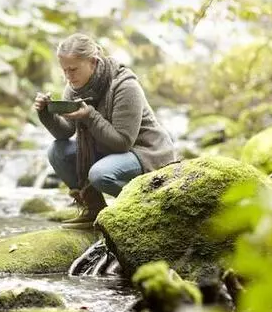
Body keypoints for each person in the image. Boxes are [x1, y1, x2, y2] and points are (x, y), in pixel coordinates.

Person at [35, 33, 177, 229]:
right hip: (107, 149)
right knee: (57, 150)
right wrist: (46, 115)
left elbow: (123, 142)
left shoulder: (125, 86)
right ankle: (93, 209)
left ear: (93, 62)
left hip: (144, 151)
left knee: (101, 174)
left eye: (73, 69)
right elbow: (65, 133)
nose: (68, 76)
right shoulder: (74, 88)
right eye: (64, 70)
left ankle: (145, 209)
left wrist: (90, 116)